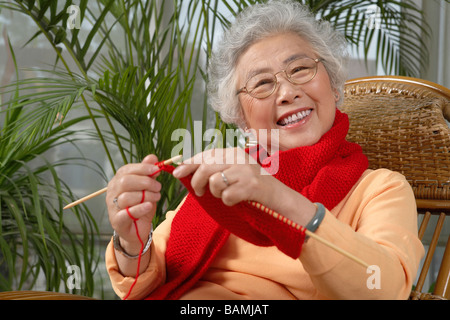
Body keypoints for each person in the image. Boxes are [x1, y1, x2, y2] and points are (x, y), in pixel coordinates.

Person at [105, 0, 424, 300]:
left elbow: (382, 286)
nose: (287, 92)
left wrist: (278, 198)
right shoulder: (221, 186)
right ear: (241, 119)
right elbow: (145, 281)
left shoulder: (381, 188)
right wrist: (131, 239)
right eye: (262, 83)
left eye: (299, 69)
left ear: (335, 86)